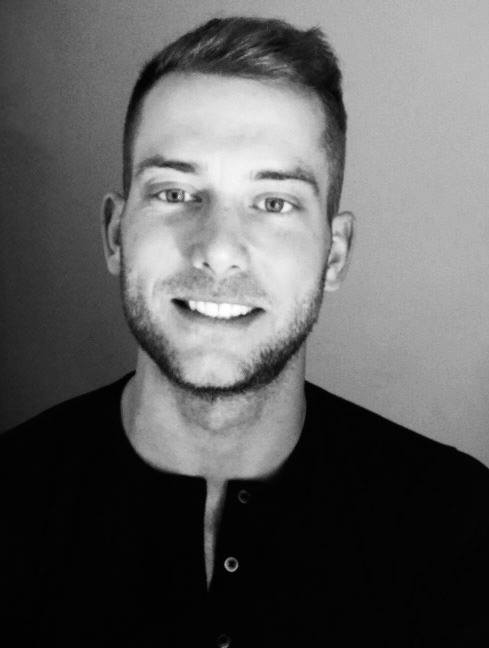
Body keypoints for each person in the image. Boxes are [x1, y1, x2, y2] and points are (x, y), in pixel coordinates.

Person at [1, 15, 488, 648]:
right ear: (116, 234)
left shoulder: (459, 526)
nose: (218, 250)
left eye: (274, 203)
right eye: (176, 193)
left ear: (334, 254)